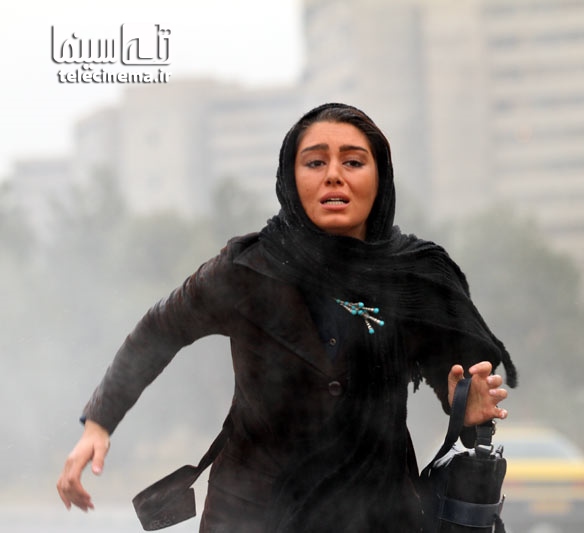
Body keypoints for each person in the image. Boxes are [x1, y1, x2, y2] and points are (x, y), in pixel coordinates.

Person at [56, 103, 517, 532]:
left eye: (353, 162)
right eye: (315, 162)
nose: (333, 175)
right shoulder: (247, 268)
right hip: (253, 513)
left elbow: (452, 378)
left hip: (376, 512)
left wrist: (464, 408)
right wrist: (99, 423)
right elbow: (158, 330)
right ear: (290, 177)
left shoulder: (415, 276)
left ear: (380, 177)